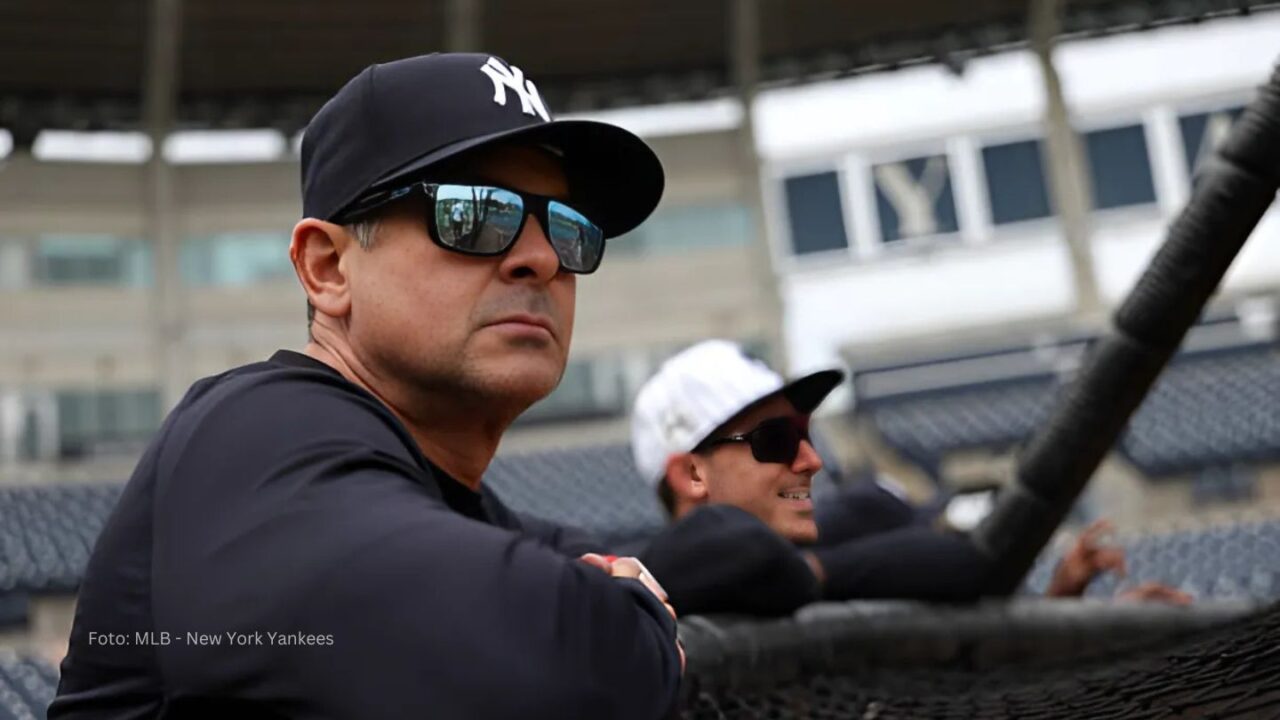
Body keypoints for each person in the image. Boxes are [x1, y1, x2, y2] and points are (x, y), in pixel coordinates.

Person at [51, 53, 683, 719]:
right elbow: (549, 657)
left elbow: (719, 559)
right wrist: (633, 621)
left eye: (568, 229)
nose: (543, 258)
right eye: (475, 215)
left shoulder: (437, 495)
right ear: (328, 269)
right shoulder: (251, 429)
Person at [629, 340, 1191, 616]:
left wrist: (1064, 617)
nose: (810, 460)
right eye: (774, 441)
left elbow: (962, 559)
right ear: (691, 474)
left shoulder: (833, 543)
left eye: (806, 435)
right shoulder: (647, 597)